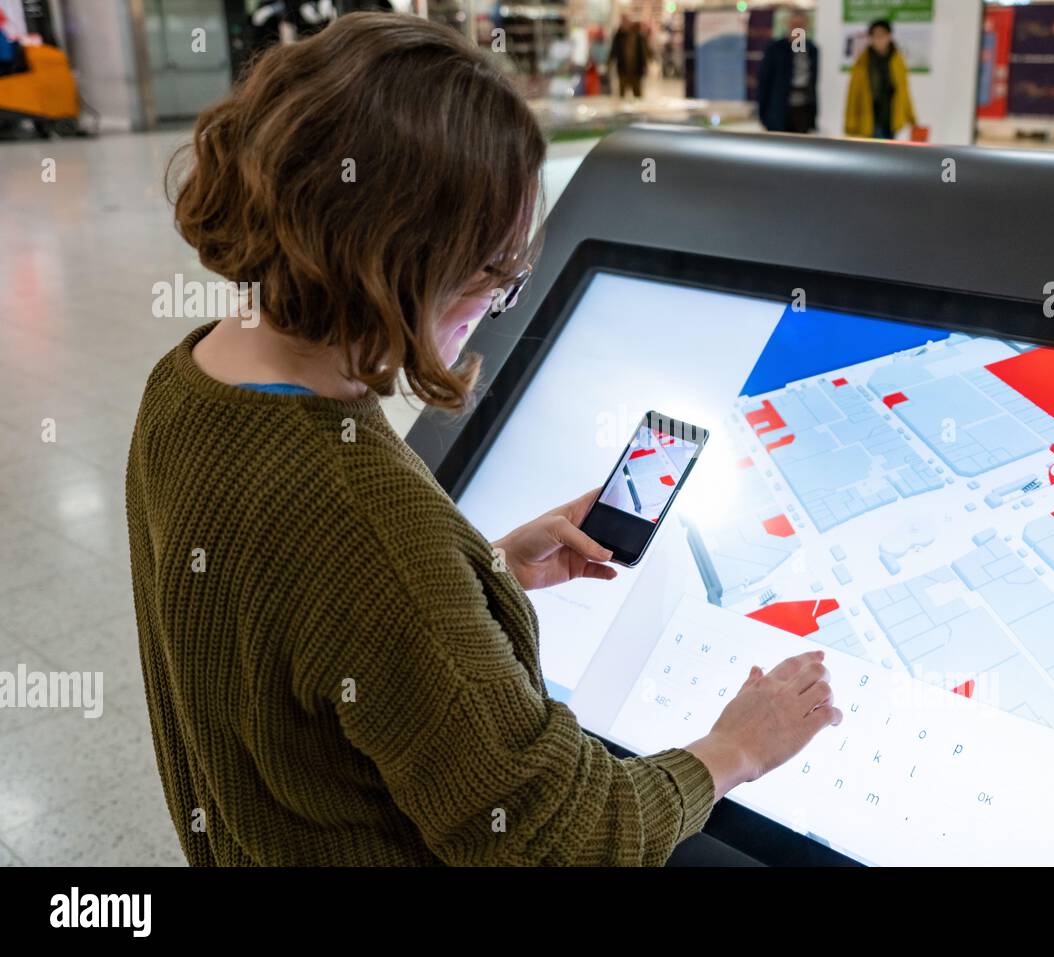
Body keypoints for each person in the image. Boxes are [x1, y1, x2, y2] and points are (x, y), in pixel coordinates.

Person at [128, 12, 841, 867]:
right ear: (406, 267)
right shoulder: (371, 529)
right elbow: (561, 839)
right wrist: (737, 748)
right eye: (492, 281)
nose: (488, 314)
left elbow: (302, 634)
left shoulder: (186, 380)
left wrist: (484, 574)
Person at [845, 18, 916, 140]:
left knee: (890, 153)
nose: (879, 40)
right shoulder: (862, 63)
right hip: (869, 118)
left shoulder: (898, 61)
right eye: (875, 36)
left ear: (889, 36)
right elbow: (853, 94)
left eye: (882, 35)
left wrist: (911, 118)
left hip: (891, 118)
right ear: (870, 38)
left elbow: (904, 91)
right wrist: (850, 124)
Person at [756, 12, 819, 134]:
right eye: (794, 25)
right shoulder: (775, 49)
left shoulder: (811, 49)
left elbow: (813, 82)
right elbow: (764, 81)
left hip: (803, 110)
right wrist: (763, 113)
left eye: (800, 26)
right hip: (779, 110)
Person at [608, 15, 650, 98]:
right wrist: (609, 63)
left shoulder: (638, 36)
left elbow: (643, 52)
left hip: (636, 70)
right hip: (623, 69)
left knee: (637, 94)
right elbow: (614, 51)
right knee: (622, 93)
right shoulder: (619, 36)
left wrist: (645, 65)